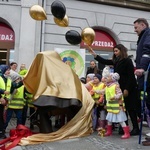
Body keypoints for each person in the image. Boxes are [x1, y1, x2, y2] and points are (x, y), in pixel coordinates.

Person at [89, 44, 140, 136]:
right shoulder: (116, 61)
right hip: (119, 87)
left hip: (129, 88)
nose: (115, 53)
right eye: (114, 51)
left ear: (121, 51)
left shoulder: (127, 61)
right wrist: (94, 55)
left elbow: (131, 76)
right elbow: (104, 61)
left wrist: (127, 89)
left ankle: (136, 128)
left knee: (130, 108)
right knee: (122, 108)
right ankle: (124, 127)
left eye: (116, 51)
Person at [133, 18, 150, 146]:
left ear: (143, 25)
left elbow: (147, 51)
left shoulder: (148, 34)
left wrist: (142, 67)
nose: (135, 30)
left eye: (136, 27)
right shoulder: (143, 36)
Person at [104, 72, 130, 139]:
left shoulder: (116, 86)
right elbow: (103, 91)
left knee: (121, 120)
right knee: (109, 119)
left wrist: (114, 97)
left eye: (109, 77)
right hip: (111, 106)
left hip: (118, 106)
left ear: (113, 79)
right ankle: (109, 131)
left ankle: (127, 133)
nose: (107, 78)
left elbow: (120, 94)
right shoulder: (108, 86)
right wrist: (96, 91)